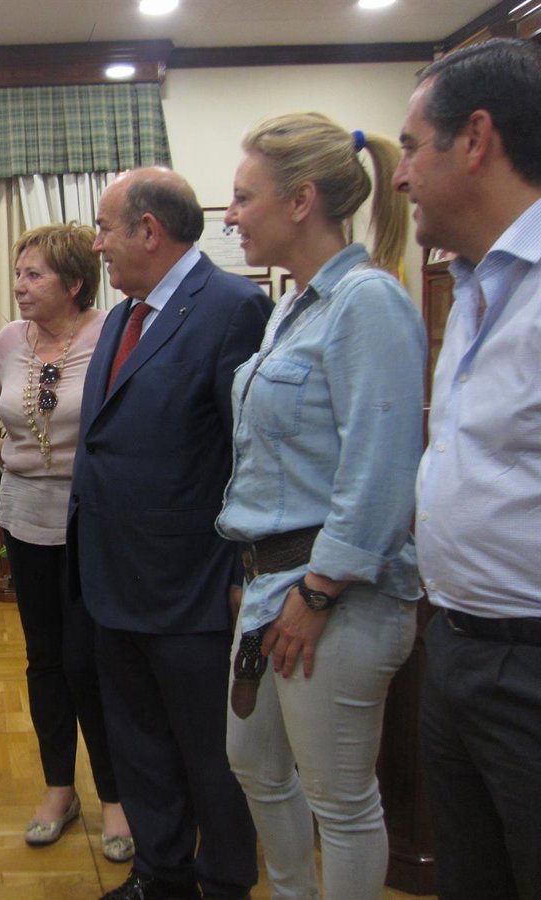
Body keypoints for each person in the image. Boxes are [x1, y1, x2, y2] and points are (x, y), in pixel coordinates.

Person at [215, 113, 425, 899]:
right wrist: (261, 577)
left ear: (300, 200)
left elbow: (382, 471)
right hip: (276, 582)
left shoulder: (368, 302)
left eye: (244, 197)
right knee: (256, 764)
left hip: (335, 595)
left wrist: (319, 589)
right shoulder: (295, 306)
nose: (232, 216)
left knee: (340, 799)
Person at [70, 167, 269, 900]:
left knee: (209, 756)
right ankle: (159, 877)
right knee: (141, 747)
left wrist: (240, 573)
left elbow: (252, 454)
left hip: (192, 586)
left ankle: (223, 882)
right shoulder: (124, 315)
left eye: (104, 229)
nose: (97, 245)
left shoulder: (234, 307)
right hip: (113, 579)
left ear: (148, 230)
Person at [394, 38, 541, 900]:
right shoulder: (473, 285)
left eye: (412, 148)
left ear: (476, 139)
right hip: (454, 643)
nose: (400, 176)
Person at [0, 224, 131, 861]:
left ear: (75, 282)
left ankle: (115, 796)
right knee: (45, 660)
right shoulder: (11, 340)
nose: (19, 285)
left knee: (90, 661)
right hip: (25, 519)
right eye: (18, 273)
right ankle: (60, 789)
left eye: (33, 274)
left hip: (94, 521)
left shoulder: (112, 333)